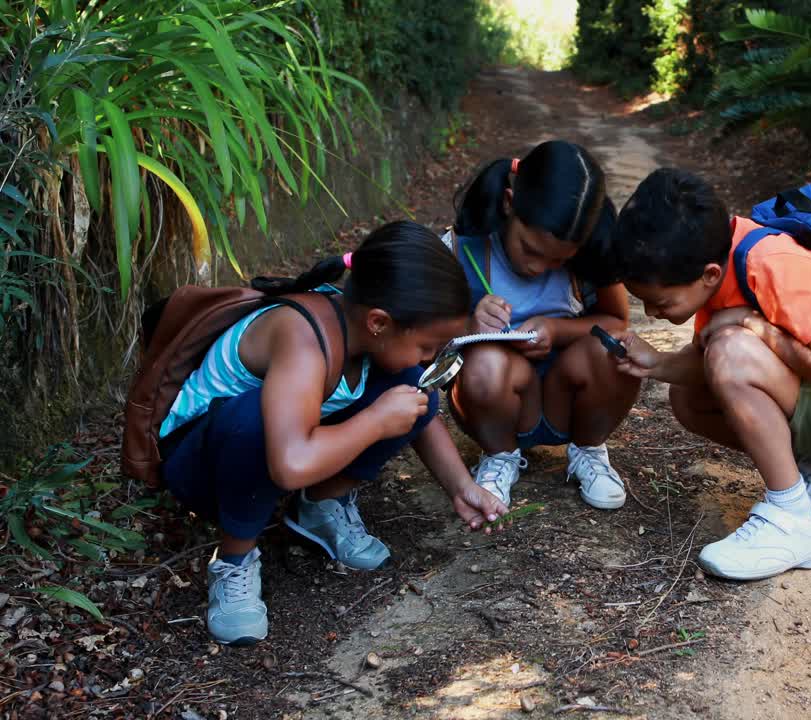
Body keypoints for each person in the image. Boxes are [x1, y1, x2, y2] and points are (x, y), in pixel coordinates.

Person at [159, 221, 507, 645]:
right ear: (380, 321)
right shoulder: (303, 338)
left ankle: (321, 507)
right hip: (199, 464)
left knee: (413, 391)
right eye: (427, 346)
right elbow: (289, 466)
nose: (431, 356)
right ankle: (234, 560)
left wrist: (461, 485)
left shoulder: (362, 329)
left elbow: (421, 415)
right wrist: (376, 420)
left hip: (285, 443)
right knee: (257, 419)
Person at [610, 169, 811, 580]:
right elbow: (705, 362)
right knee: (689, 397)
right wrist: (658, 365)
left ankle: (793, 518)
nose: (652, 313)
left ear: (709, 275)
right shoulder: (724, 262)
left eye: (660, 302)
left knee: (731, 352)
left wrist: (756, 327)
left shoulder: (773, 263)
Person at [443, 140, 640, 510]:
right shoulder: (463, 249)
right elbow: (422, 338)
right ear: (508, 203)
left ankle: (588, 448)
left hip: (567, 396)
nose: (537, 267)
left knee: (616, 348)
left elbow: (616, 321)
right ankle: (499, 455)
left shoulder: (594, 253)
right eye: (530, 250)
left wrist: (557, 330)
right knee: (484, 360)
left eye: (558, 261)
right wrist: (468, 322)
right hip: (494, 400)